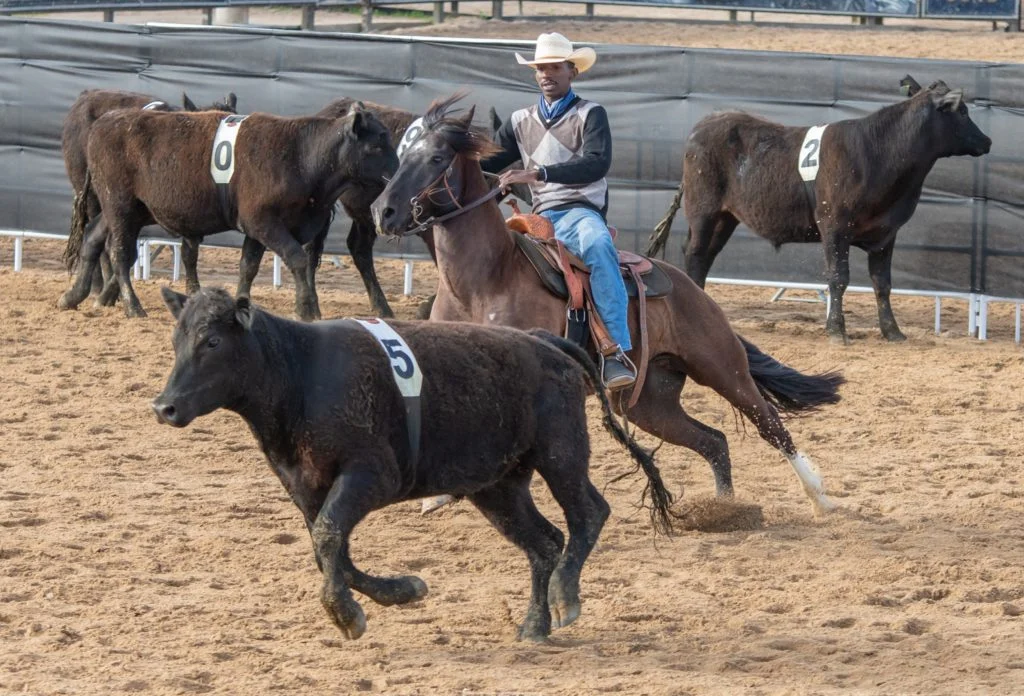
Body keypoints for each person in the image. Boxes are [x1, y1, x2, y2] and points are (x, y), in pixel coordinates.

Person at [482, 32, 636, 391]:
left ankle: (615, 350)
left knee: (597, 247)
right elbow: (488, 162)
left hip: (580, 211)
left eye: (554, 67)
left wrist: (538, 173)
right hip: (539, 216)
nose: (545, 74)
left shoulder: (591, 114)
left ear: (572, 72)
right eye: (540, 68)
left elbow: (596, 164)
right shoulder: (519, 120)